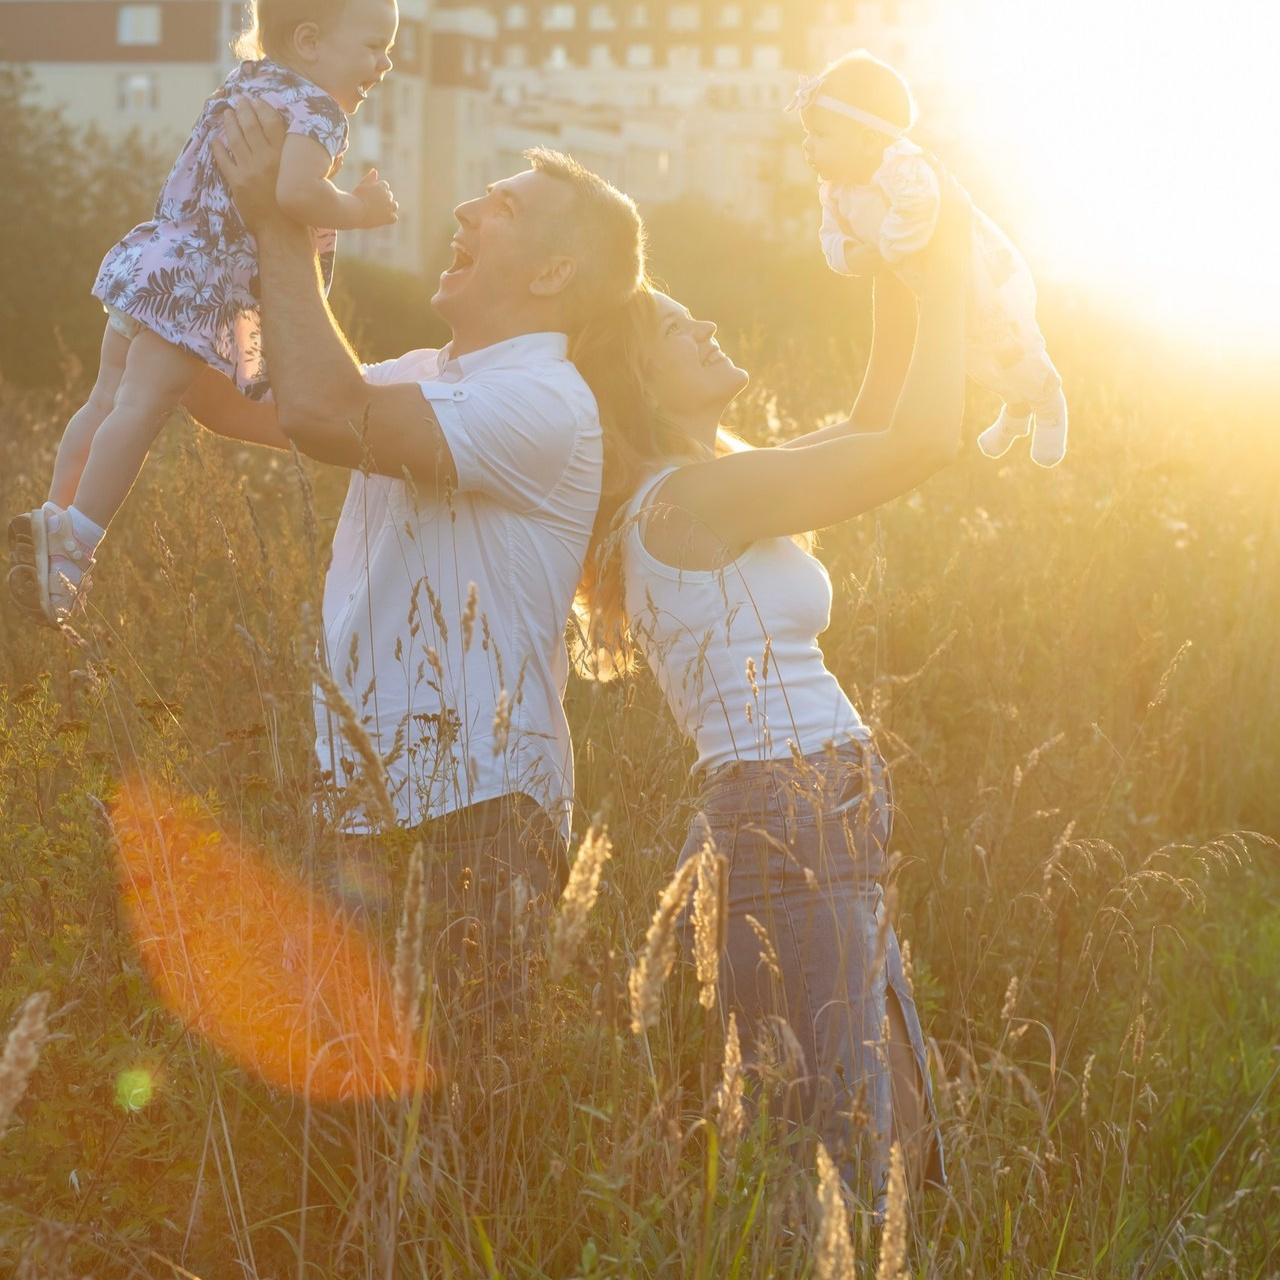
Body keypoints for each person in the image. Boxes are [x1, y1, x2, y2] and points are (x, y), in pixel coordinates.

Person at [183, 97, 646, 1008]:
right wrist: (232, 221)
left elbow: (327, 413)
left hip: (476, 815)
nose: (467, 214)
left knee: (457, 1117)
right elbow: (226, 397)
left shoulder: (547, 400)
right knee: (352, 1118)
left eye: (502, 208)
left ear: (555, 271)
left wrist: (282, 222)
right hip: (358, 807)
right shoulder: (425, 374)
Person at [571, 202, 968, 1217]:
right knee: (845, 1136)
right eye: (674, 329)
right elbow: (915, 438)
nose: (705, 328)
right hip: (786, 808)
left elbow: (866, 423)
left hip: (822, 799)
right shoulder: (689, 495)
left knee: (895, 1114)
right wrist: (951, 265)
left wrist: (893, 261)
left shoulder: (707, 485)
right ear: (638, 382)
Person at [7, 0, 400, 627]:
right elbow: (295, 193)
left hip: (159, 257)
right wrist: (360, 208)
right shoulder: (319, 111)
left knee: (107, 398)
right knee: (142, 408)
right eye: (375, 45)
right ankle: (77, 544)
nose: (385, 63)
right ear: (309, 40)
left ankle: (52, 521)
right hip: (204, 284)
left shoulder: (249, 82)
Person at [790, 49, 1068, 467]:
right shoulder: (835, 189)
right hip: (935, 288)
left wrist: (886, 249)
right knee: (972, 355)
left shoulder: (903, 165)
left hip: (982, 277)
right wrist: (850, 255)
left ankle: (1048, 402)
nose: (808, 146)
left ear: (867, 140)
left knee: (1008, 344)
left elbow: (919, 205)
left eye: (821, 135)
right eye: (808, 134)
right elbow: (829, 237)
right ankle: (1015, 408)